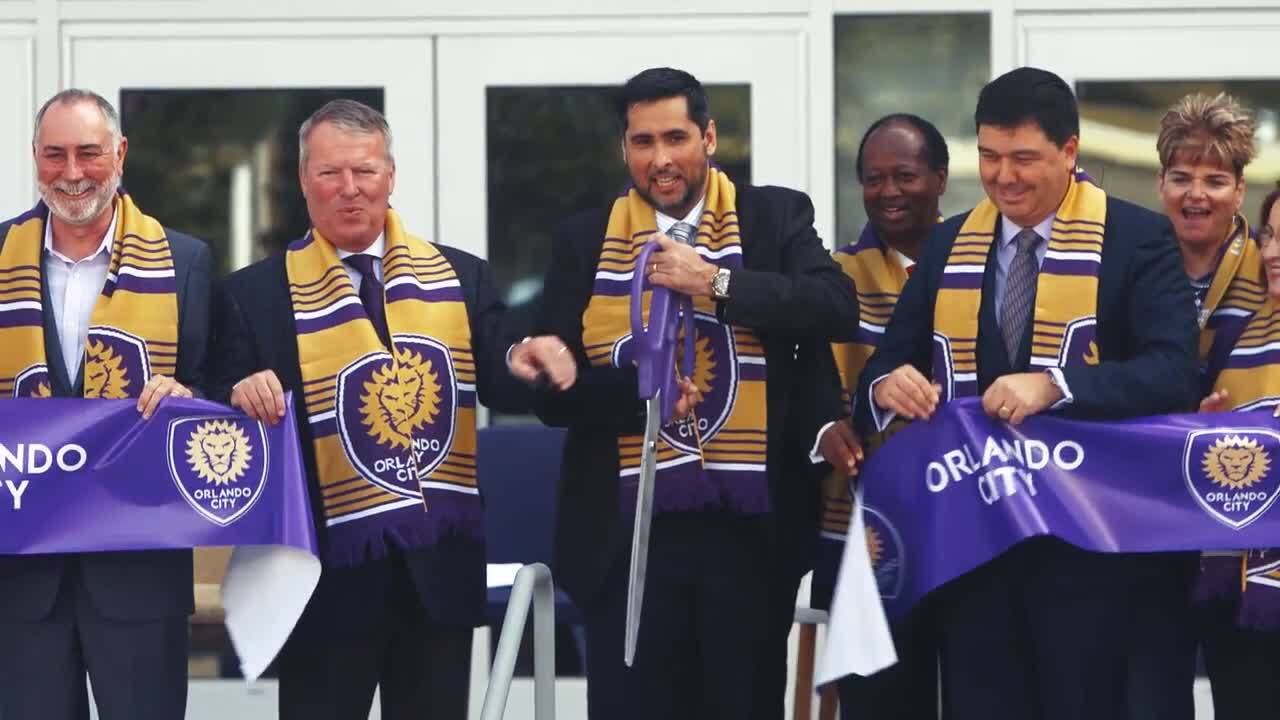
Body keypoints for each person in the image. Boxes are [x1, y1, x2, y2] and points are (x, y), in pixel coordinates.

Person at [208, 99, 574, 720]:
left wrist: (526, 359)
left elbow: (499, 374)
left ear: (391, 175)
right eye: (330, 173)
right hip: (320, 581)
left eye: (365, 171)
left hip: (436, 571)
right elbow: (219, 406)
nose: (350, 189)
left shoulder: (460, 277)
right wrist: (238, 394)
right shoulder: (253, 295)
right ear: (304, 181)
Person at [853, 67, 1199, 720]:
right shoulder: (950, 241)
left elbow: (1174, 372)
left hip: (1090, 555)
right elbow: (880, 372)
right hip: (972, 552)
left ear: (1070, 152)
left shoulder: (1136, 238)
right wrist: (887, 385)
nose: (1003, 176)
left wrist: (1056, 385)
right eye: (988, 156)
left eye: (1023, 159)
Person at [535, 66, 856, 719]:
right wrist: (639, 397)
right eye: (642, 142)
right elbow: (555, 397)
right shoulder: (582, 238)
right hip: (626, 534)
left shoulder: (773, 216)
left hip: (750, 531)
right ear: (624, 148)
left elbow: (834, 305)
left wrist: (717, 284)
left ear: (709, 137)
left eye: (676, 138)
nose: (660, 159)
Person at [0, 89, 211, 720]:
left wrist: (189, 396)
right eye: (54, 155)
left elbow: (215, 383)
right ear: (34, 158)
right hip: (19, 575)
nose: (71, 173)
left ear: (119, 153)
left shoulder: (185, 262)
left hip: (139, 570)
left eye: (88, 153)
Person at [1127, 91, 1262, 720]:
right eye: (1181, 176)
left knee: (1246, 693)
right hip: (1149, 524)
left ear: (1240, 190)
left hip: (1244, 528)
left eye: (1214, 179)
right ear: (1160, 183)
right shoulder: (1127, 267)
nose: (1195, 194)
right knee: (1152, 698)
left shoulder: (1271, 269)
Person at [813, 113, 948, 720]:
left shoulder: (982, 265)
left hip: (965, 524)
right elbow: (804, 388)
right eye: (873, 179)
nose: (888, 191)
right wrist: (822, 428)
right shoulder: (834, 278)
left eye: (905, 175)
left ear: (941, 179)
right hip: (862, 533)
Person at [1191, 182, 1280, 720]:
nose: (1271, 251)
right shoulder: (1234, 343)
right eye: (1268, 235)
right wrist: (1200, 437)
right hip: (1240, 605)